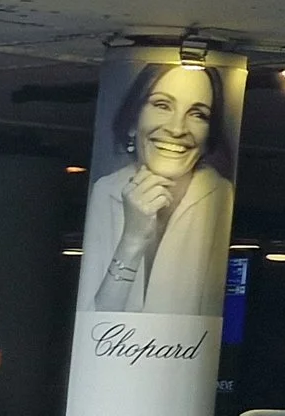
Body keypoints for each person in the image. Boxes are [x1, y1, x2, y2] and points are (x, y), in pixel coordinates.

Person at [77, 61, 236, 315]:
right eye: (162, 105)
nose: (177, 129)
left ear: (208, 137)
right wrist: (132, 240)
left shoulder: (221, 197)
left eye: (198, 114)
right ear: (133, 121)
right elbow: (94, 320)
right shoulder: (106, 191)